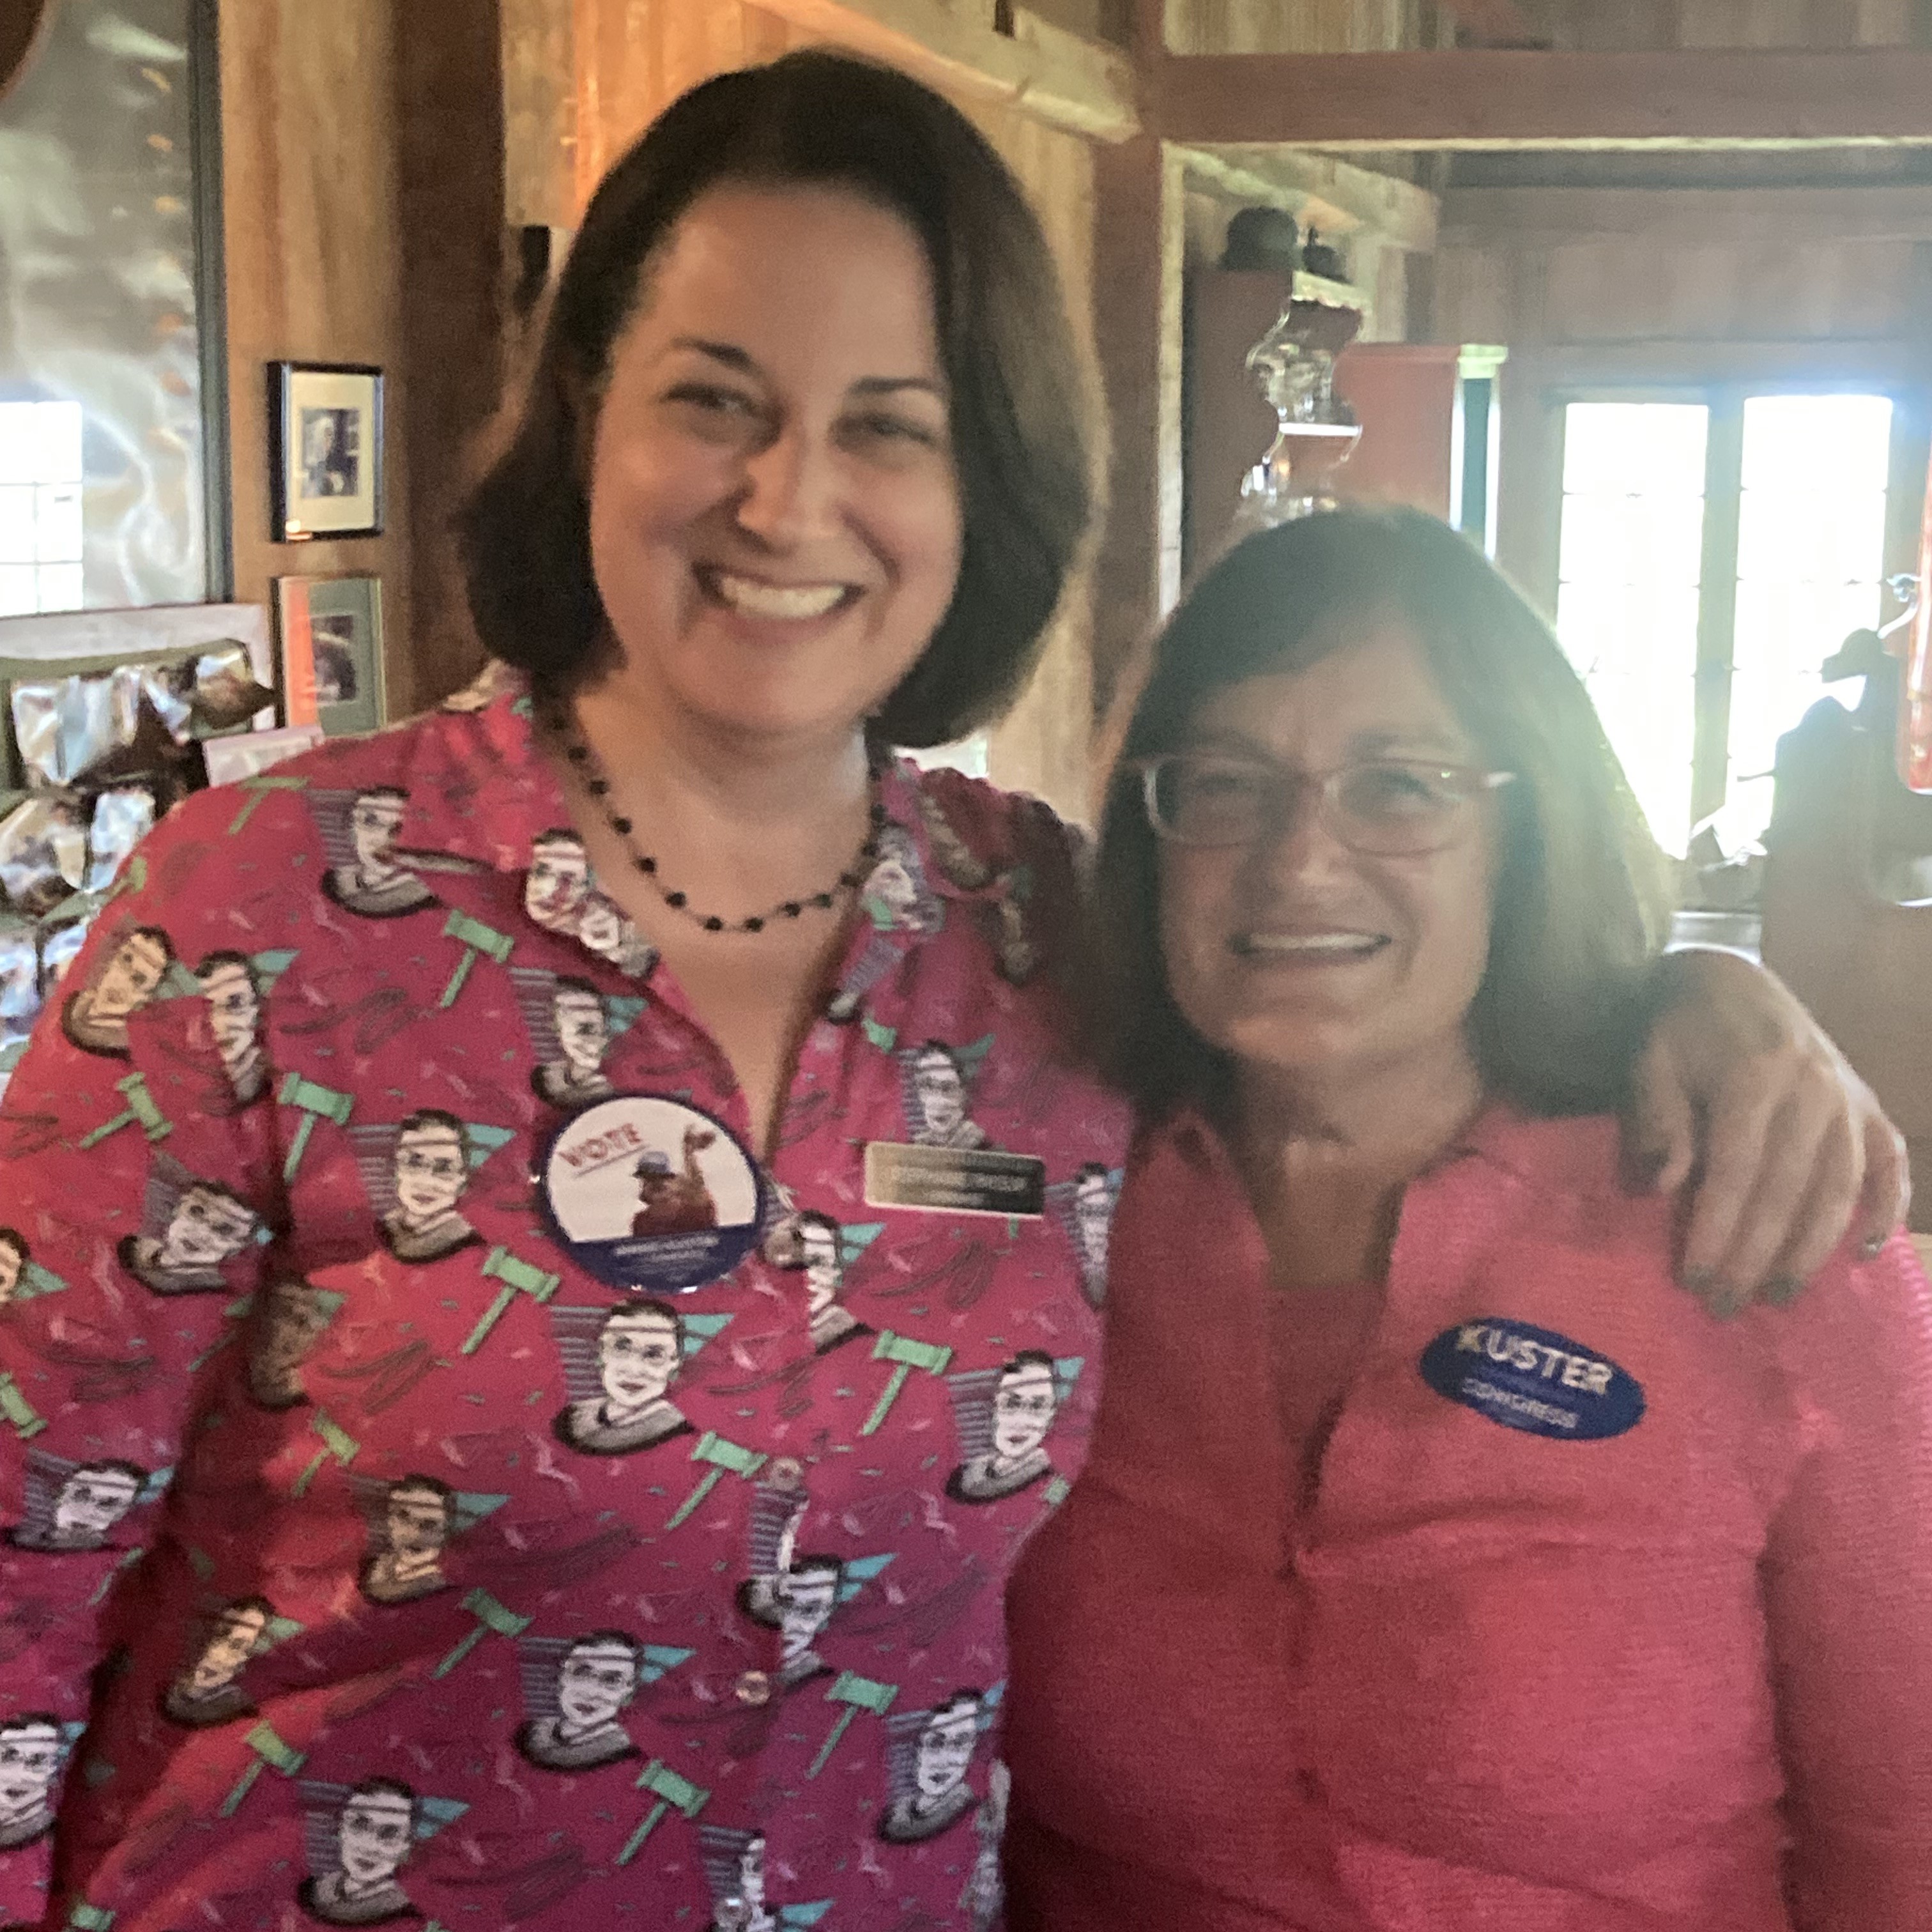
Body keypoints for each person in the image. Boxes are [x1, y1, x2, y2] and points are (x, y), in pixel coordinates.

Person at [0, 51, 1903, 1932]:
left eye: (891, 426)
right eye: (714, 400)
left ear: (983, 481)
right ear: (587, 411)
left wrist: (1692, 992)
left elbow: (1355, 961)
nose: (788, 498)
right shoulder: (268, 910)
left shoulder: (1034, 933)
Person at [1002, 509, 1932, 1930]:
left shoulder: (1760, 1216)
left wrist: (1694, 976)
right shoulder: (1039, 1210)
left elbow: (1903, 1839)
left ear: (1526, 828)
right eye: (1229, 787)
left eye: (1401, 786)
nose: (1299, 862)